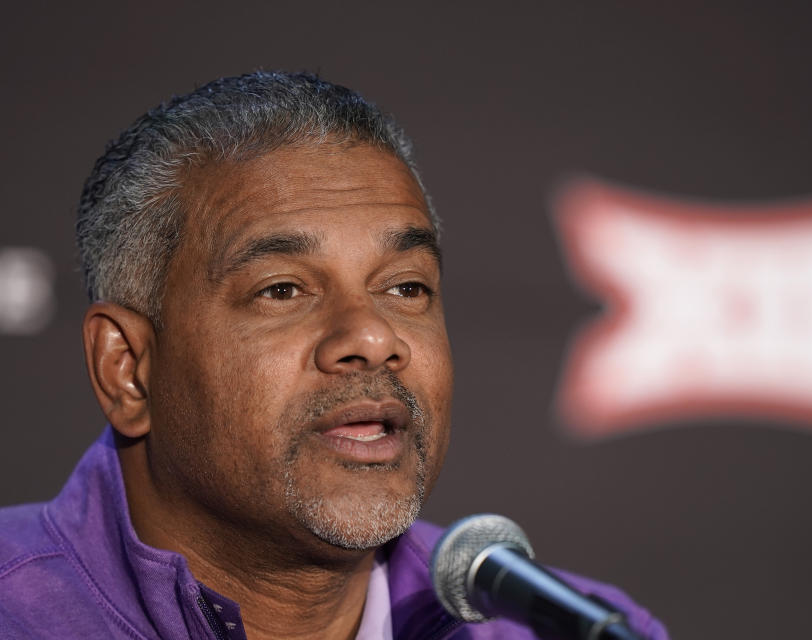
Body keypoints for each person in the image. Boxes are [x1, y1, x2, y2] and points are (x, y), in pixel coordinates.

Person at [0, 71, 668, 640]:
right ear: (129, 368)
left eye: (406, 287)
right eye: (283, 290)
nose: (374, 337)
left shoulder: (556, 627)